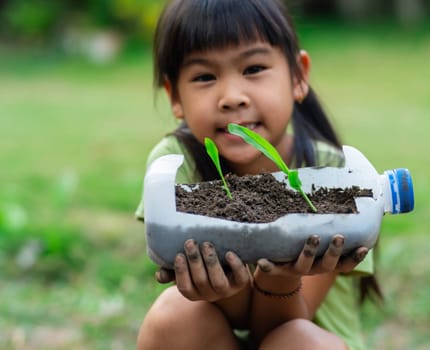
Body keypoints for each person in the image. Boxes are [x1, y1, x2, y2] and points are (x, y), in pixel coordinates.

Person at [135, 0, 381, 349]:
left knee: (297, 341)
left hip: (299, 333)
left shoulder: (333, 178)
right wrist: (225, 289)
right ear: (175, 96)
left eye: (253, 69)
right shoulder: (174, 169)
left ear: (298, 76)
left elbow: (280, 330)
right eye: (205, 77)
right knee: (174, 314)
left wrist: (282, 277)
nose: (232, 98)